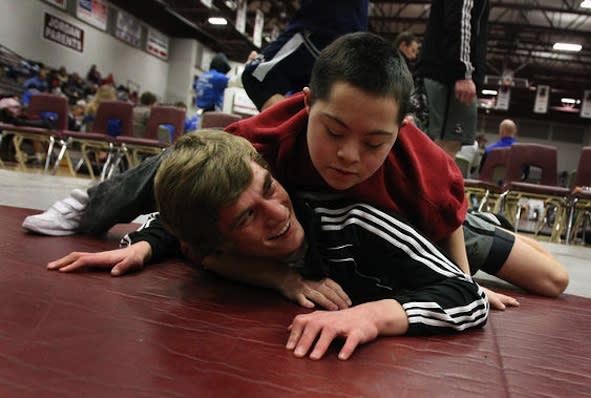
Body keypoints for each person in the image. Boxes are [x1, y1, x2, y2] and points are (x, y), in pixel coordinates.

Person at [25, 33, 557, 309]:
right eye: (333, 132)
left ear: (402, 128)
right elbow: (198, 213)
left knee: (552, 279)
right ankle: (90, 204)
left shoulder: (423, 163)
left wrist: (459, 282)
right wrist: (146, 242)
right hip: (342, 236)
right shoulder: (263, 138)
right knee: (187, 156)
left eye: (374, 141)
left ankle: (491, 222)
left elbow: (448, 227)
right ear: (306, 105)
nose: (349, 155)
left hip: (417, 225)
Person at [49, 130, 489, 360]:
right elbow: (176, 228)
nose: (278, 214)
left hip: (437, 221)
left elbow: (467, 295)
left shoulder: (354, 223)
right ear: (219, 240)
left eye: (269, 188)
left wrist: (372, 315)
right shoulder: (207, 235)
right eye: (247, 216)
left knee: (547, 275)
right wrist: (142, 247)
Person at [241, 0, 368, 111]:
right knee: (306, 100)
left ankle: (287, 131)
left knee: (255, 77)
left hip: (322, 27)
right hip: (350, 41)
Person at [415, 0, 490, 159]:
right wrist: (463, 73)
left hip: (442, 74)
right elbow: (461, 19)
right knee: (444, 149)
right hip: (449, 79)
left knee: (434, 146)